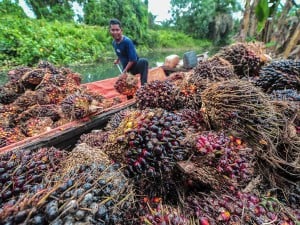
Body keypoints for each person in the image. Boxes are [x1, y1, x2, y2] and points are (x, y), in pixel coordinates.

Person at [109, 18, 148, 86]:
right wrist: (117, 60)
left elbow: (133, 60)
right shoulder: (114, 43)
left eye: (117, 30)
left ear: (121, 30)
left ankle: (143, 86)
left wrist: (124, 72)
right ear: (110, 31)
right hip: (126, 68)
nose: (115, 32)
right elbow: (119, 52)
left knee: (144, 61)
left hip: (134, 66)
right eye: (113, 30)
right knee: (123, 86)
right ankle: (129, 95)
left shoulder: (127, 41)